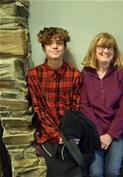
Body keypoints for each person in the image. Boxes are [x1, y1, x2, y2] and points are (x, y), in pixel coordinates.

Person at [26, 27, 82, 176]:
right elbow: (39, 109)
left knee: (79, 168)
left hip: (69, 133)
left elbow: (75, 108)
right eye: (50, 43)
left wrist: (68, 134)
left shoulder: (75, 75)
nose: (55, 46)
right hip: (48, 134)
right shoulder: (34, 75)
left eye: (59, 43)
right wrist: (57, 135)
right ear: (44, 47)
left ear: (64, 47)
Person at [80, 32, 123, 177]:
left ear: (114, 51)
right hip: (94, 131)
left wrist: (110, 135)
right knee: (95, 172)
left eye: (110, 47)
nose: (106, 51)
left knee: (112, 172)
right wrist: (98, 133)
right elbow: (84, 106)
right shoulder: (85, 73)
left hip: (117, 131)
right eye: (102, 47)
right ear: (94, 49)